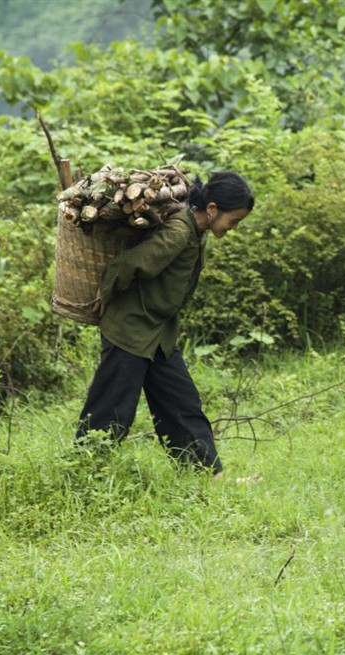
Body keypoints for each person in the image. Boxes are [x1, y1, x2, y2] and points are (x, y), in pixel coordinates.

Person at [75, 171, 260, 484]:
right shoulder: (178, 232)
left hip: (159, 333)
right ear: (212, 209)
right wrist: (105, 292)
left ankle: (209, 475)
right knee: (112, 407)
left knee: (181, 404)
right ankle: (83, 475)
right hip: (131, 329)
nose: (234, 227)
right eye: (234, 220)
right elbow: (130, 263)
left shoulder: (194, 232)